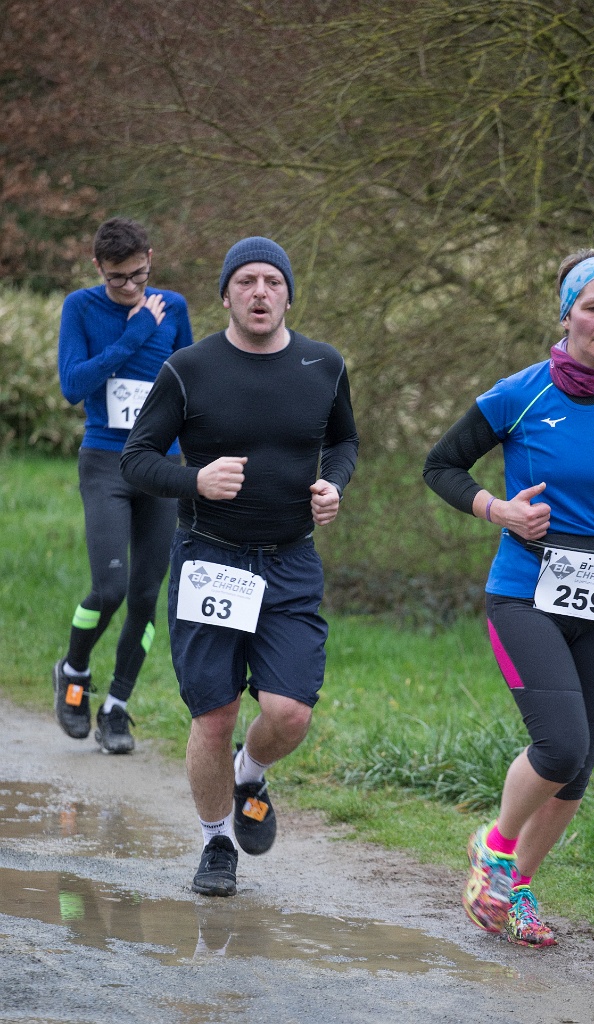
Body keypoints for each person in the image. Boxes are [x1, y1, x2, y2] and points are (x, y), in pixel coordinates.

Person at [423, 249, 594, 947]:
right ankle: (494, 847)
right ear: (567, 314)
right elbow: (440, 465)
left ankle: (514, 891)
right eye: (593, 307)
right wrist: (498, 510)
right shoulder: (520, 394)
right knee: (560, 744)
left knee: (577, 768)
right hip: (524, 593)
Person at [120, 236, 358, 897]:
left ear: (288, 295)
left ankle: (248, 773)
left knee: (290, 712)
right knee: (215, 713)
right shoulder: (188, 369)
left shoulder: (323, 364)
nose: (260, 292)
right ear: (225, 295)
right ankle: (216, 842)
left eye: (272, 282)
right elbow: (136, 459)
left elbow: (344, 439)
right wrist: (195, 480)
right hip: (210, 558)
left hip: (289, 560)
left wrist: (334, 484)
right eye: (246, 281)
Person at [54, 217, 194, 754]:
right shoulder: (81, 307)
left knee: (145, 595)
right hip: (105, 463)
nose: (131, 286)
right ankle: (74, 670)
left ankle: (117, 706)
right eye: (117, 278)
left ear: (150, 259)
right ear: (98, 267)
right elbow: (73, 385)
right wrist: (134, 335)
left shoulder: (173, 307)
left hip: (161, 465)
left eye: (139, 274)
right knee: (109, 588)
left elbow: (190, 386)